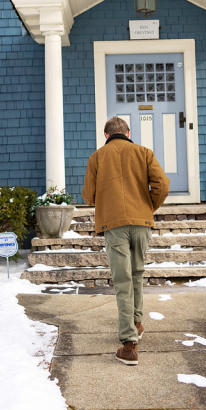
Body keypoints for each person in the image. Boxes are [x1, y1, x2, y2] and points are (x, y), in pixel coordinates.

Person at [82, 116, 170, 366]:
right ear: (128, 133)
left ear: (106, 135)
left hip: (114, 225)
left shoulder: (97, 157)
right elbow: (162, 185)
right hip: (141, 222)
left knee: (123, 281)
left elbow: (88, 196)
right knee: (138, 274)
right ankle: (137, 323)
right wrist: (147, 207)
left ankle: (130, 344)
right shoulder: (144, 153)